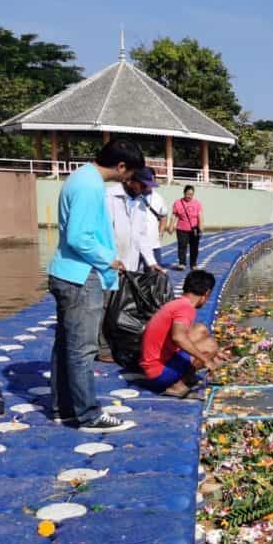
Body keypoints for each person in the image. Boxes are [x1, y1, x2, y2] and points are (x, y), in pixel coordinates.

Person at [48, 138, 144, 432]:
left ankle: (63, 408)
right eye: (130, 173)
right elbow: (79, 238)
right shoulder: (90, 187)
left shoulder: (81, 177)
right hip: (81, 275)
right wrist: (108, 259)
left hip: (67, 271)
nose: (129, 179)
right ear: (121, 166)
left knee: (67, 345)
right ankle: (87, 415)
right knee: (82, 349)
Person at [139, 269, 224, 397]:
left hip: (150, 364)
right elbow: (178, 337)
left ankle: (186, 377)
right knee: (210, 345)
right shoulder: (186, 308)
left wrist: (216, 354)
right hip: (158, 374)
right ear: (207, 293)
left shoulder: (177, 303)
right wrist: (205, 359)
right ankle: (179, 385)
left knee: (201, 329)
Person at [106, 169, 164, 273]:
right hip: (110, 264)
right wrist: (110, 259)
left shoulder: (140, 202)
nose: (146, 189)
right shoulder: (108, 197)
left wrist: (151, 262)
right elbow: (102, 235)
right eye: (142, 185)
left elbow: (141, 235)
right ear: (129, 181)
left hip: (130, 267)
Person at [137, 167, 171, 269]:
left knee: (153, 276)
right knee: (131, 276)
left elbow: (164, 216)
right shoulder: (133, 197)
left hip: (153, 245)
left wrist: (160, 233)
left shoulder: (158, 198)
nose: (149, 186)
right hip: (134, 246)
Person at [173, 185, 203, 271]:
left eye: (191, 194)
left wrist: (201, 226)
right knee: (182, 246)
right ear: (184, 193)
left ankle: (193, 264)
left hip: (194, 229)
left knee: (194, 247)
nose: (189, 196)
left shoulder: (197, 203)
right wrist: (171, 226)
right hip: (181, 228)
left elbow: (200, 216)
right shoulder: (178, 203)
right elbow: (174, 215)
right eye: (188, 194)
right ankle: (182, 263)